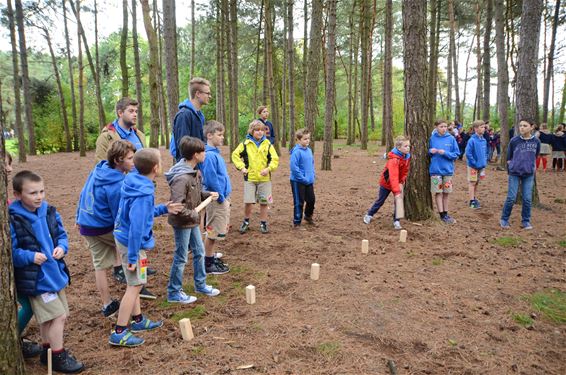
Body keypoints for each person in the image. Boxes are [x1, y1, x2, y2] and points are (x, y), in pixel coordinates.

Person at [10, 171, 84, 373]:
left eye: (41, 191)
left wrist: (62, 247)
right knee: (58, 317)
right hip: (37, 280)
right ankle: (58, 355)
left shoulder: (50, 211)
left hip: (55, 275)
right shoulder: (14, 219)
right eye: (33, 193)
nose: (39, 196)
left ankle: (46, 351)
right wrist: (30, 257)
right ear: (17, 195)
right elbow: (12, 253)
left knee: (51, 318)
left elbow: (61, 234)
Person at [109, 149, 182, 347]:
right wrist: (133, 256)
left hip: (125, 239)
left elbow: (142, 213)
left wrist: (163, 208)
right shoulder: (143, 193)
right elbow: (136, 226)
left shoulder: (135, 182)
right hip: (131, 243)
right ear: (156, 168)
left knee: (137, 283)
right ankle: (119, 331)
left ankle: (138, 319)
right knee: (134, 285)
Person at [77, 140, 138, 318]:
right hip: (102, 226)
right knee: (131, 252)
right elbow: (119, 217)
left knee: (99, 264)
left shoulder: (99, 169)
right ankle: (135, 293)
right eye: (130, 158)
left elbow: (83, 192)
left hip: (86, 224)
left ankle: (107, 304)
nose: (134, 161)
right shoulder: (118, 185)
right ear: (119, 160)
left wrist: (78, 216)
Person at [165, 137, 220, 303]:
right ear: (196, 154)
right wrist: (195, 215)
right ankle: (174, 292)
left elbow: (194, 195)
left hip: (192, 221)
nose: (205, 153)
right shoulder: (182, 178)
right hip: (183, 223)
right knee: (181, 256)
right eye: (203, 151)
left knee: (199, 252)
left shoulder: (194, 172)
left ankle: (200, 284)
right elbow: (177, 206)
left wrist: (207, 195)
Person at [4, 153, 43, 358]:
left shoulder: (9, 203)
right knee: (28, 303)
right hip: (18, 260)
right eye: (5, 163)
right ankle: (11, 341)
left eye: (9, 164)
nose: (9, 169)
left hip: (17, 263)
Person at [232, 120, 280, 234]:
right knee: (248, 202)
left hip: (265, 179)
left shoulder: (267, 144)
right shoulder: (245, 143)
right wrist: (242, 168)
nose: (259, 132)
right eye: (257, 130)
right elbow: (235, 155)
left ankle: (263, 223)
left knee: (264, 202)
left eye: (262, 130)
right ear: (251, 131)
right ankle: (246, 221)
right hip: (250, 179)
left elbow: (275, 159)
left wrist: (268, 169)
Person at [200, 121, 232, 274]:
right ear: (209, 135)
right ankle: (208, 263)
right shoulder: (210, 156)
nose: (222, 137)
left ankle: (211, 256)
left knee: (217, 231)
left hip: (222, 197)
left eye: (222, 134)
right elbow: (211, 179)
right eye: (219, 135)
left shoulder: (216, 154)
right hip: (216, 200)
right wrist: (220, 197)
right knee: (212, 232)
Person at [363, 136, 411, 230]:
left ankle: (396, 221)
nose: (408, 148)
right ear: (399, 148)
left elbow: (405, 171)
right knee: (380, 200)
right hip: (386, 183)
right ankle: (369, 215)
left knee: (399, 201)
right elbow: (393, 177)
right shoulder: (394, 160)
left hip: (398, 182)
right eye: (405, 146)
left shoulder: (406, 157)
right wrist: (397, 192)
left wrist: (401, 182)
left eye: (408, 146)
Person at [500, 120, 541, 230]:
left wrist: (531, 167)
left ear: (532, 127)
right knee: (511, 197)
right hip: (515, 173)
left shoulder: (536, 141)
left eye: (525, 126)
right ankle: (504, 219)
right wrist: (512, 167)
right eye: (520, 126)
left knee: (527, 198)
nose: (522, 128)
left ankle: (526, 221)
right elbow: (508, 157)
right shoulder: (514, 140)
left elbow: (536, 155)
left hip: (528, 174)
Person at [172, 77, 211, 161]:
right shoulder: (184, 115)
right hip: (187, 169)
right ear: (198, 94)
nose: (210, 96)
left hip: (197, 165)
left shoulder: (200, 115)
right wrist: (191, 169)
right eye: (207, 93)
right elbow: (183, 146)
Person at [429, 120, 460, 224]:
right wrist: (430, 151)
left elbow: (456, 154)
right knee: (438, 192)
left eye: (445, 126)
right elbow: (427, 152)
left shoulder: (451, 139)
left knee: (446, 193)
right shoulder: (432, 138)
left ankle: (446, 213)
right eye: (441, 126)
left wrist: (445, 153)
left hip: (447, 171)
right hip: (435, 171)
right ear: (436, 127)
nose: (444, 128)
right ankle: (441, 214)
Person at [95, 98, 145, 163]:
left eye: (136, 111)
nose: (135, 114)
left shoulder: (140, 135)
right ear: (120, 113)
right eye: (131, 111)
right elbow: (101, 167)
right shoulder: (106, 137)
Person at [290, 128, 316, 227]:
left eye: (308, 138)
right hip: (297, 181)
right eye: (305, 139)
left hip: (309, 181)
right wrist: (302, 178)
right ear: (298, 140)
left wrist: (312, 174)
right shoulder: (296, 152)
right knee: (299, 202)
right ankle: (297, 222)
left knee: (311, 200)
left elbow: (311, 163)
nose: (307, 141)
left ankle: (308, 216)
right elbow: (294, 168)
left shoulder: (309, 150)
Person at [465, 120, 487, 209]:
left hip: (481, 166)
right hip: (473, 166)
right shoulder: (472, 140)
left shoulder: (484, 140)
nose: (484, 129)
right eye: (481, 127)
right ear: (475, 129)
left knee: (477, 183)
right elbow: (468, 153)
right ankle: (471, 201)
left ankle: (474, 197)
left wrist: (484, 162)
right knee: (472, 182)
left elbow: (485, 152)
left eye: (484, 127)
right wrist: (474, 163)